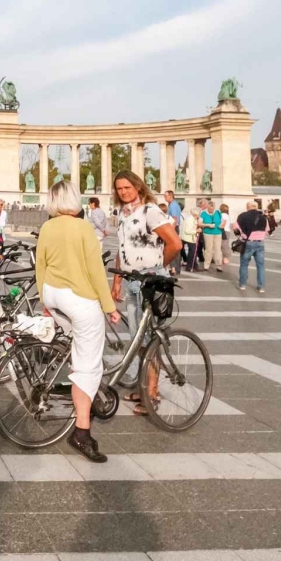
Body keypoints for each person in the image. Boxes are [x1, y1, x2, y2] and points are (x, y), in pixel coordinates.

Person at [34, 181, 119, 464]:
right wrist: (109, 306)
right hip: (78, 299)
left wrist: (45, 302)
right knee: (88, 366)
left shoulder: (48, 227)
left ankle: (74, 374)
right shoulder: (83, 227)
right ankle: (82, 432)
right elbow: (95, 270)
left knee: (79, 345)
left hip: (52, 294)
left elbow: (40, 266)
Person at [110, 171, 182, 415]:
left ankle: (152, 392)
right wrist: (117, 280)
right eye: (119, 188)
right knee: (137, 340)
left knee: (150, 339)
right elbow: (123, 248)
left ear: (138, 187)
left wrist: (158, 267)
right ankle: (144, 388)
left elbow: (175, 244)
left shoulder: (150, 211)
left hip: (150, 282)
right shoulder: (123, 214)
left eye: (127, 187)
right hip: (132, 282)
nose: (123, 192)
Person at [234, 200, 270, 293]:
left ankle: (242, 285)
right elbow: (267, 231)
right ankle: (261, 287)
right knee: (260, 266)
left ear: (248, 207)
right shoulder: (263, 218)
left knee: (244, 264)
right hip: (260, 243)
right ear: (256, 207)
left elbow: (236, 229)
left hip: (248, 243)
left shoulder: (241, 216)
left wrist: (241, 234)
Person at [199, 201, 225, 273]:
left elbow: (223, 221)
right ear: (207, 207)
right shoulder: (203, 213)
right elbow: (199, 223)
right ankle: (206, 265)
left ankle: (218, 265)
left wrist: (222, 225)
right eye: (210, 209)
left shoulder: (218, 212)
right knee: (208, 249)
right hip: (208, 233)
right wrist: (208, 225)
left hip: (218, 233)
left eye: (213, 209)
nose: (211, 210)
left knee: (218, 249)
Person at [179, 197, 201, 273]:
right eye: (199, 213)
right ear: (196, 214)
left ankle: (194, 266)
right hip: (189, 238)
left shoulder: (193, 219)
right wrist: (196, 231)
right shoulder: (190, 220)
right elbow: (188, 231)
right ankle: (189, 267)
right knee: (192, 253)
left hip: (189, 238)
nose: (200, 214)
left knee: (193, 253)